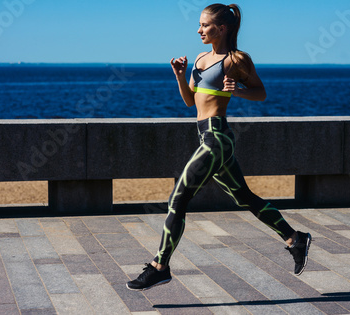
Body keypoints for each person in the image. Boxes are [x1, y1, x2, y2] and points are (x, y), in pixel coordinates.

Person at [127, 3, 311, 291]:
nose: (199, 30)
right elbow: (190, 101)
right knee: (246, 198)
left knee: (178, 199)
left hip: (217, 138)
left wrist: (237, 90)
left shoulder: (236, 60)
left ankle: (159, 266)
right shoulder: (200, 59)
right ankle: (294, 238)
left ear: (221, 28)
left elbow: (261, 93)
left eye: (205, 25)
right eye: (199, 25)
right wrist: (179, 74)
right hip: (206, 136)